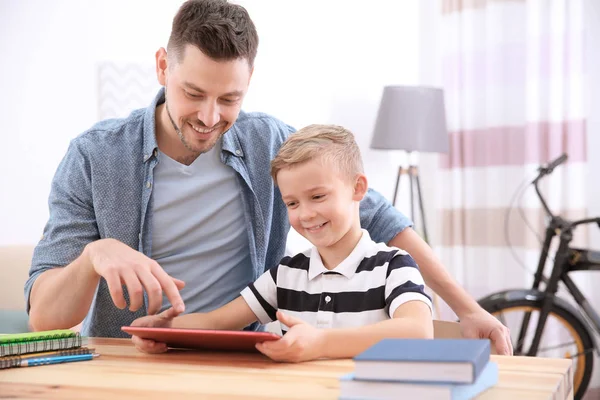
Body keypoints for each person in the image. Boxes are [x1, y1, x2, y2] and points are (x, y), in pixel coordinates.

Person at [25, 0, 512, 355]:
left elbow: (381, 218)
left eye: (229, 100)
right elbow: (45, 316)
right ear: (161, 67)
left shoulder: (270, 143)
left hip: (244, 358)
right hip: (132, 358)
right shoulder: (94, 156)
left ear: (248, 83)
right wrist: (94, 255)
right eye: (193, 93)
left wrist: (467, 308)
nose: (210, 117)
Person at [130, 125, 434, 362]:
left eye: (317, 196)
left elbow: (418, 332)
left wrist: (321, 344)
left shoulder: (394, 265)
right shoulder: (286, 275)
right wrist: (160, 330)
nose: (306, 214)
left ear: (358, 188)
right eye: (292, 203)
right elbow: (216, 321)